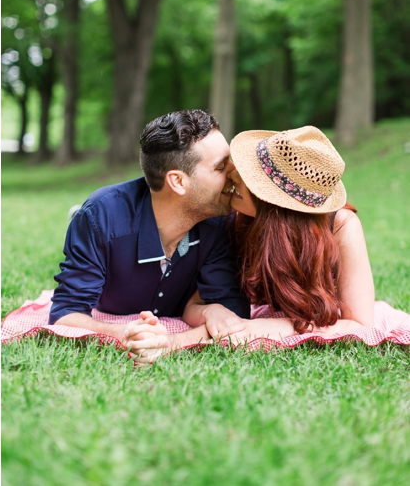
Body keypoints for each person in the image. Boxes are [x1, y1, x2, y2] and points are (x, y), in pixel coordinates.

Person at [128, 126, 375, 362]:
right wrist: (210, 312)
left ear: (273, 202)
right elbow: (194, 306)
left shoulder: (341, 226)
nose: (233, 174)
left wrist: (276, 326)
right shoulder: (233, 222)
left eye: (249, 174)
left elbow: (361, 324)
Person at [49, 110, 250, 351]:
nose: (235, 174)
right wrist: (124, 332)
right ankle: (76, 221)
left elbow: (232, 312)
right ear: (177, 181)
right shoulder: (100, 218)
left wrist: (207, 315)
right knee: (89, 221)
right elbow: (64, 315)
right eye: (220, 168)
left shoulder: (219, 220)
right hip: (105, 225)